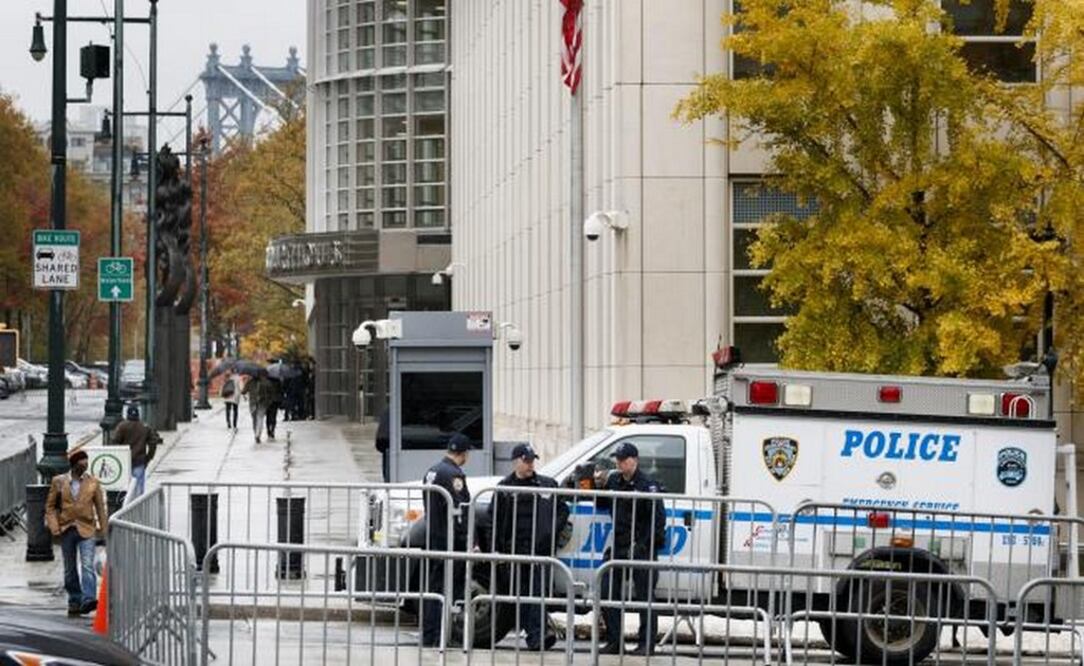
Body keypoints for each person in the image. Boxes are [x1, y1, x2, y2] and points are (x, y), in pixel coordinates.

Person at [491, 444, 569, 651]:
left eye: (532, 460)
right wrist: (495, 548)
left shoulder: (547, 484)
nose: (530, 465)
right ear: (515, 461)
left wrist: (550, 531)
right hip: (514, 551)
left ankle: (537, 635)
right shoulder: (504, 488)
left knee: (535, 593)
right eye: (526, 461)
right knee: (521, 594)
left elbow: (563, 510)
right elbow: (494, 519)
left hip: (539, 550)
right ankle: (536, 634)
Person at [594, 442, 666, 655]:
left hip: (641, 547)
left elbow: (658, 520)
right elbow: (602, 504)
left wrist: (643, 546)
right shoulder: (615, 480)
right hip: (619, 545)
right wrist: (598, 485)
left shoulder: (647, 484)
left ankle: (646, 645)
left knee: (645, 597)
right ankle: (615, 641)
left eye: (623, 459)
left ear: (634, 460)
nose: (619, 463)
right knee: (606, 588)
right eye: (618, 459)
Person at [420, 433, 473, 647]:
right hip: (449, 540)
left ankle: (430, 635)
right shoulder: (453, 475)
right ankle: (437, 636)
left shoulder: (432, 471)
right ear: (463, 453)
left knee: (435, 589)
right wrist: (467, 539)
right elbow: (460, 510)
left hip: (434, 536)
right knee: (446, 590)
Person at [45, 449, 109, 617]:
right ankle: (74, 599)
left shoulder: (93, 482)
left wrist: (104, 529)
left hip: (87, 528)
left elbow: (100, 508)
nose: (85, 466)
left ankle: (88, 599)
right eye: (82, 464)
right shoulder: (58, 482)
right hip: (66, 529)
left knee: (87, 564)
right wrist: (54, 527)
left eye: (86, 463)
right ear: (74, 465)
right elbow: (50, 507)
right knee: (69, 569)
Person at [110, 403, 159, 499]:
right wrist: (149, 457)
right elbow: (153, 443)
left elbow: (115, 441)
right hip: (139, 461)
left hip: (125, 461)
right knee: (139, 488)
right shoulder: (145, 427)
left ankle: (125, 505)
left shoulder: (122, 426)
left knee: (124, 487)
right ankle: (137, 507)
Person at [241, 372, 270, 443]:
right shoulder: (265, 382)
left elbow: (243, 391)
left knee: (254, 419)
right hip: (262, 403)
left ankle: (255, 433)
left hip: (253, 403)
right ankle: (258, 434)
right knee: (260, 418)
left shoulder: (250, 382)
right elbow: (269, 392)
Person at [265, 375, 284, 440]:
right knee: (273, 416)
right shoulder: (278, 381)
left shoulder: (266, 381)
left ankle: (268, 431)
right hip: (275, 401)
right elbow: (281, 391)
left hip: (267, 401)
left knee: (268, 416)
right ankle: (272, 429)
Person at [375, 409, 390, 482]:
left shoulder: (386, 411)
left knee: (386, 458)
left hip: (383, 439)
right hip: (387, 439)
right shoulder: (395, 411)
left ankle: (386, 479)